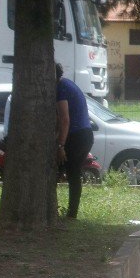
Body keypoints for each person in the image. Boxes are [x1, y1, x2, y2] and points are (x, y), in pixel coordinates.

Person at [56, 62, 94, 218]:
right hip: (83, 134)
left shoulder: (60, 89)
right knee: (68, 172)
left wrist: (60, 145)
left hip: (77, 136)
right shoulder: (67, 83)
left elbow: (65, 119)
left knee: (71, 173)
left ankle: (72, 213)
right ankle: (67, 211)